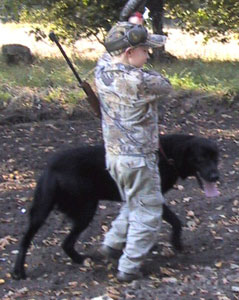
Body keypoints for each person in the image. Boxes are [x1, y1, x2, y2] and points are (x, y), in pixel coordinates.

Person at [94, 21, 172, 282]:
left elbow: (107, 53)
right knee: (148, 212)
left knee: (133, 202)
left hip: (115, 157)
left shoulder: (102, 70)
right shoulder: (140, 80)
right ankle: (128, 267)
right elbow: (165, 84)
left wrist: (125, 26)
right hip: (138, 160)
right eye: (143, 50)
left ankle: (112, 244)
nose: (148, 54)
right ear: (129, 52)